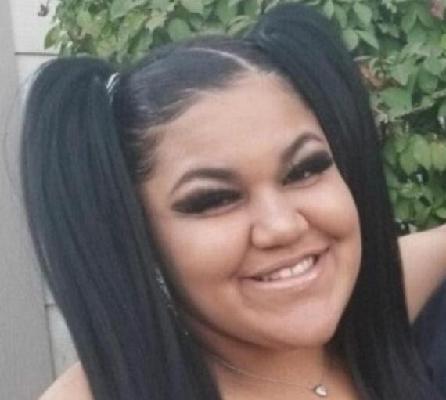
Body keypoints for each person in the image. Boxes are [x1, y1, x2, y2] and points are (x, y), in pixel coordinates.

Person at [20, 3, 446, 400]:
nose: (283, 226)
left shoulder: (379, 307)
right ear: (136, 230)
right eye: (214, 199)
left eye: (305, 170)